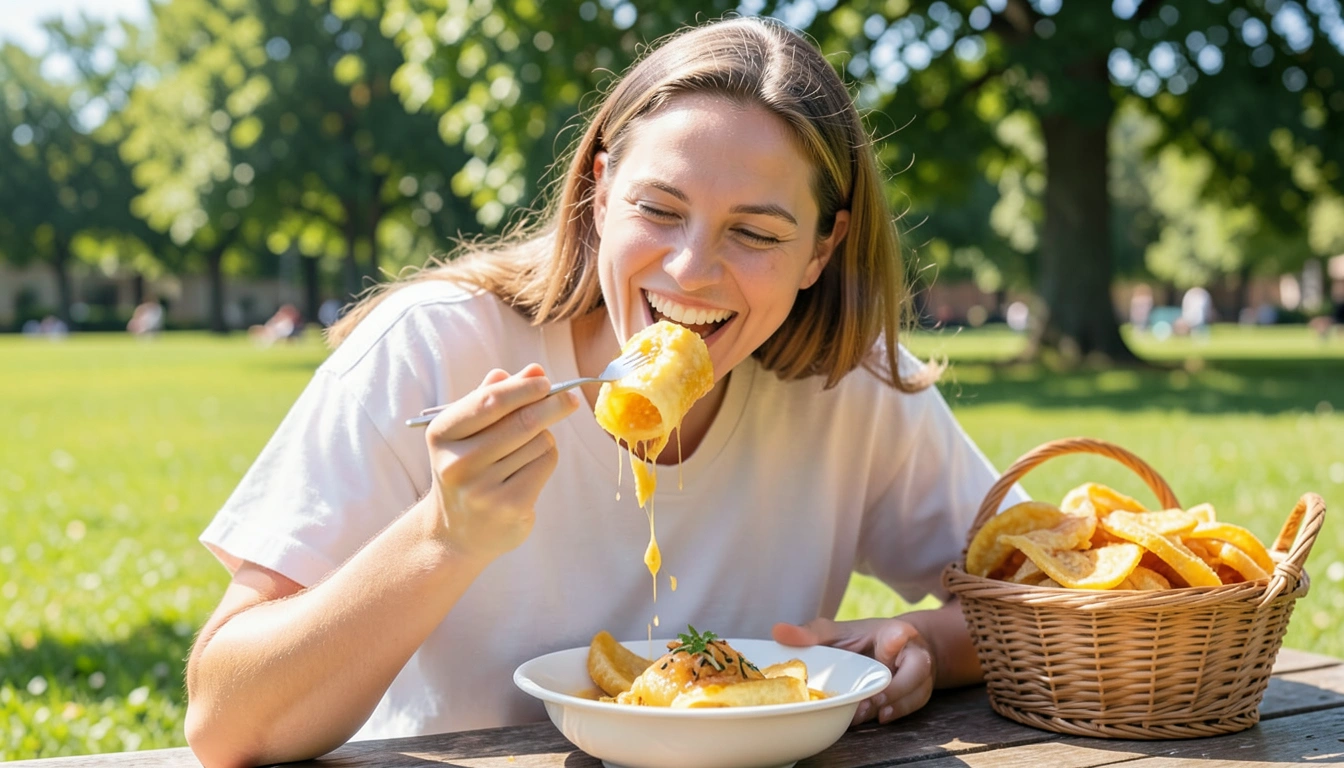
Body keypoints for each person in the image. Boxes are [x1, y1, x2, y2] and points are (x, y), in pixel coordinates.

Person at [185, 16, 1027, 768]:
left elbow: (1055, 599)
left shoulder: (850, 389)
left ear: (820, 250)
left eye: (756, 232)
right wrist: (442, 539)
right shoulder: (433, 347)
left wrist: (926, 642)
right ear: (597, 193)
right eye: (659, 210)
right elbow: (226, 723)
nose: (691, 269)